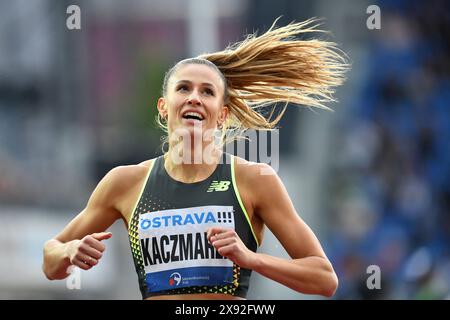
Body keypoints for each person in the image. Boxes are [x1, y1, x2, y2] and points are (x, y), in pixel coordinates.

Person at [42, 18, 348, 300]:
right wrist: (70, 250)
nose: (194, 97)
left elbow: (323, 278)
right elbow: (50, 259)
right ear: (164, 107)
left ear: (222, 115)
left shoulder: (254, 179)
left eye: (207, 92)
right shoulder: (125, 183)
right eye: (184, 88)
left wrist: (251, 259)